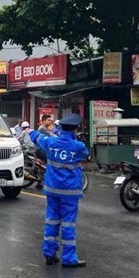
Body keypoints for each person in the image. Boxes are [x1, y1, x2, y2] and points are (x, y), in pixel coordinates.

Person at [29, 113, 89, 268]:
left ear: (60, 127)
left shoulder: (50, 142)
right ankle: (69, 258)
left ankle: (49, 254)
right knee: (68, 224)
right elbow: (85, 155)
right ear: (75, 129)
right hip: (69, 192)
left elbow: (36, 137)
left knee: (51, 220)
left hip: (52, 189)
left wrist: (31, 130)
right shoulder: (78, 146)